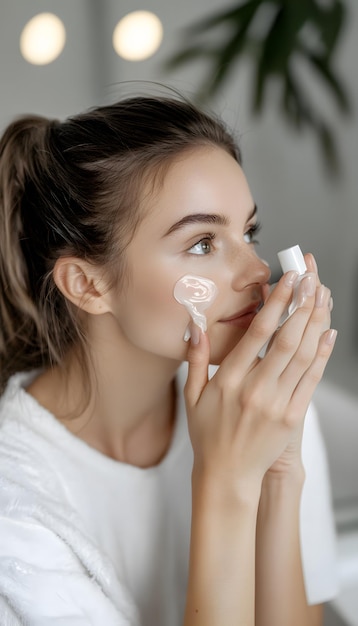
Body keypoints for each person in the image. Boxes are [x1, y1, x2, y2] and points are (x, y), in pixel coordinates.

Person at [0, 94, 338, 626]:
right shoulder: (16, 508)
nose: (255, 270)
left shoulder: (267, 404)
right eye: (203, 243)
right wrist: (225, 481)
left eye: (248, 232)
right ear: (88, 285)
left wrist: (279, 473)